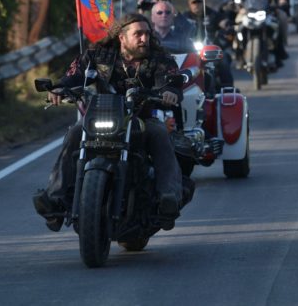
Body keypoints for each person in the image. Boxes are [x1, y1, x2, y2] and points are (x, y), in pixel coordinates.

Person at [32, 14, 184, 231]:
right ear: (121, 37)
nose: (144, 39)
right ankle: (55, 200)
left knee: (160, 134)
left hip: (140, 117)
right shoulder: (98, 54)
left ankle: (168, 198)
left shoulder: (159, 58)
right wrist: (59, 88)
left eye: (147, 34)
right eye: (138, 34)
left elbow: (170, 80)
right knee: (75, 133)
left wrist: (169, 91)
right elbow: (74, 74)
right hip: (103, 116)